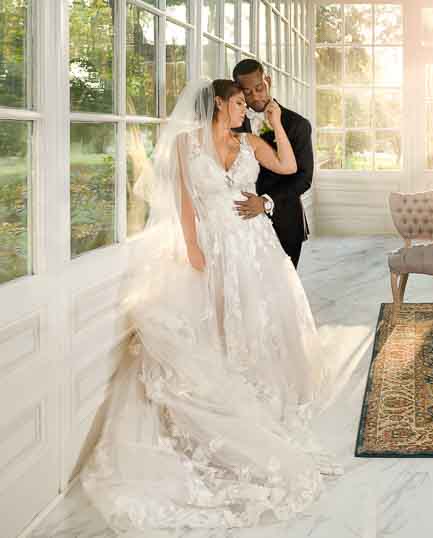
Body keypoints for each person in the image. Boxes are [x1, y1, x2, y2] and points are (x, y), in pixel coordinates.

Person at [81, 79, 340, 533]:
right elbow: (184, 198)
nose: (247, 109)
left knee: (258, 319)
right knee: (214, 321)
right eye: (241, 103)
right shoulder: (186, 143)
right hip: (213, 245)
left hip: (253, 247)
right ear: (219, 103)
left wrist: (274, 135)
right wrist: (192, 245)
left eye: (248, 103)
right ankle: (227, 385)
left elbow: (288, 165)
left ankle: (258, 385)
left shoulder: (250, 139)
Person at [232, 59, 312, 268]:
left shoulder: (298, 125)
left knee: (284, 287)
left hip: (285, 219)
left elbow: (304, 178)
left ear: (267, 81)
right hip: (243, 220)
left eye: (259, 88)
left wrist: (266, 201)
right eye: (247, 92)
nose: (255, 96)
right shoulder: (232, 124)